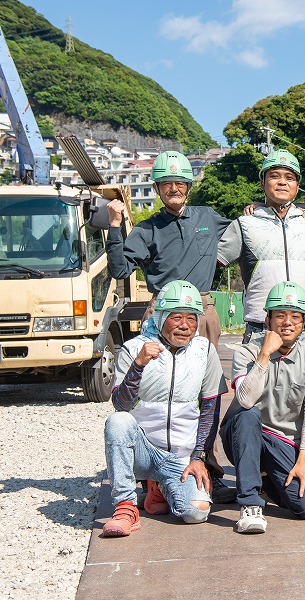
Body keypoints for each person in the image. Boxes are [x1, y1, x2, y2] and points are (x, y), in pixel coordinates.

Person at [105, 149, 236, 503]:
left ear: (189, 187)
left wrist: (256, 210)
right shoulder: (147, 229)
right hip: (160, 312)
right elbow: (119, 270)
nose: (174, 189)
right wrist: (115, 225)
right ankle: (152, 471)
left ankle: (206, 466)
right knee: (154, 387)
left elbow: (244, 227)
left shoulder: (209, 216)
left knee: (206, 392)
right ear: (158, 188)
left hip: (203, 307)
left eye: (180, 182)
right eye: (167, 184)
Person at [101, 280, 228, 537]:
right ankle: (126, 506)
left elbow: (210, 408)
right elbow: (120, 404)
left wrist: (198, 458)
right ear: (159, 317)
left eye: (192, 319)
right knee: (118, 423)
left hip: (179, 458)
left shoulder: (204, 351)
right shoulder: (133, 348)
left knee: (196, 512)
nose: (185, 326)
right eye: (176, 317)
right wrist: (138, 365)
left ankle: (159, 488)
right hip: (143, 452)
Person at [221, 282, 305, 534]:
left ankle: (266, 481)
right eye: (279, 315)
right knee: (249, 414)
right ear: (267, 320)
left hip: (282, 442)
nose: (287, 322)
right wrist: (264, 356)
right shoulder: (246, 353)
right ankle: (250, 503)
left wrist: (303, 461)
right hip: (244, 433)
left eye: (295, 316)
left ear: (304, 324)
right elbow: (246, 400)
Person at [217, 149, 305, 346]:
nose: (282, 182)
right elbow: (212, 261)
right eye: (274, 176)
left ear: (297, 185)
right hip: (261, 328)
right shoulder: (244, 224)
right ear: (262, 183)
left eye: (289, 177)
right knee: (257, 378)